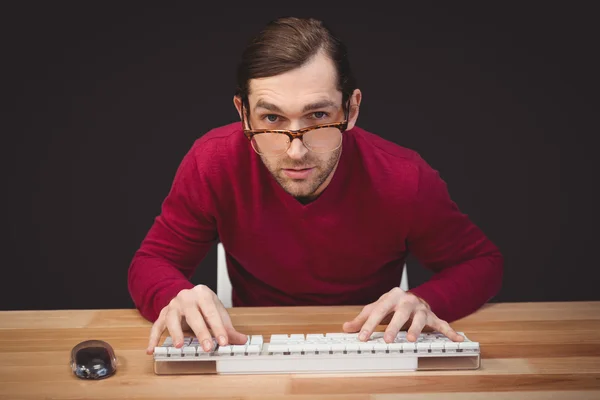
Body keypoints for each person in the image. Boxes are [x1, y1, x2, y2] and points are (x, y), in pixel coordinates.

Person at [128, 16, 503, 355]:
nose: (295, 151)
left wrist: (424, 299)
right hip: (252, 344)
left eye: (318, 116)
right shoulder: (212, 162)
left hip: (371, 347)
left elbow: (482, 263)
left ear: (351, 110)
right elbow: (151, 262)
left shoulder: (404, 177)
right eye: (272, 118)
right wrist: (173, 295)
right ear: (243, 114)